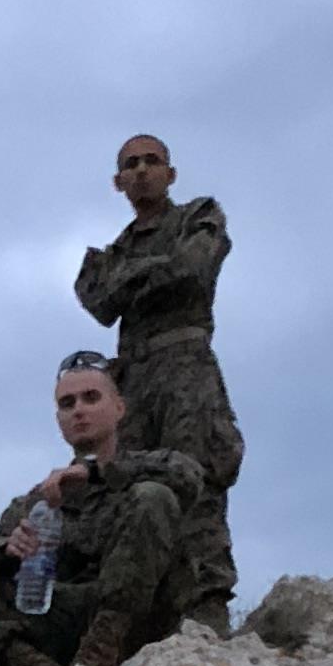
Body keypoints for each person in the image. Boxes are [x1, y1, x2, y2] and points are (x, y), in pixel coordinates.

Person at [0, 355, 231, 666]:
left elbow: (188, 476)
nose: (79, 410)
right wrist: (9, 547)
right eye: (67, 404)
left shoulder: (150, 470)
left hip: (138, 619)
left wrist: (98, 472)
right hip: (66, 618)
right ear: (59, 421)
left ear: (119, 408)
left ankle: (96, 663)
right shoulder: (40, 500)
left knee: (153, 498)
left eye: (91, 398)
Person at [74, 131, 245, 500]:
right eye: (130, 164)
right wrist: (155, 270)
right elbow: (98, 302)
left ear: (171, 174)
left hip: (186, 375)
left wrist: (128, 279)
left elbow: (191, 268)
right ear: (118, 183)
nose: (141, 170)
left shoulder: (198, 215)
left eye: (152, 161)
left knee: (195, 479)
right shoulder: (115, 252)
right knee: (125, 482)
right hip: (132, 382)